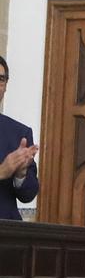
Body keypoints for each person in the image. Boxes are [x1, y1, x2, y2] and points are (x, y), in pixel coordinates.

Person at [0, 57, 40, 220]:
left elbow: (29, 194)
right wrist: (2, 171)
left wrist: (20, 175)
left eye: (1, 79)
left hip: (7, 236)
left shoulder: (19, 133)